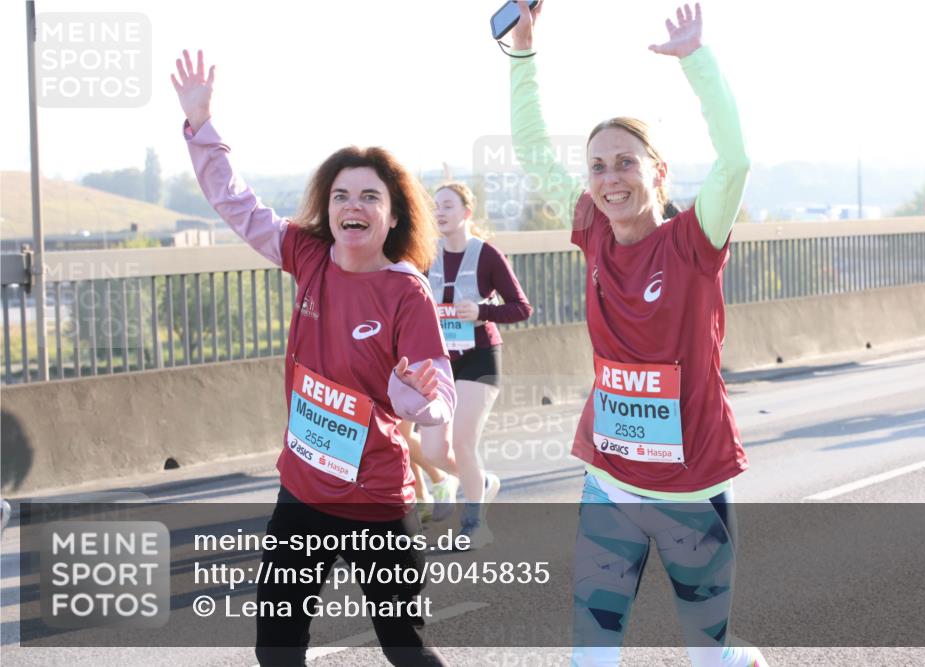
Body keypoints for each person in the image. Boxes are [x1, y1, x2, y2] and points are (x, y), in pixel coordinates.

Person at [171, 50, 456, 667]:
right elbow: (236, 203)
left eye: (369, 196)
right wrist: (201, 126)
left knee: (405, 648)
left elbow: (438, 397)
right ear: (328, 208)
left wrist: (416, 397)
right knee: (275, 648)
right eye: (342, 194)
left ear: (392, 213)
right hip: (301, 490)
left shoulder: (406, 289)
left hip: (375, 500)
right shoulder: (306, 255)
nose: (353, 205)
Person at [507, 2, 767, 665]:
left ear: (658, 172)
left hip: (692, 490)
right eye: (597, 167)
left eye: (625, 162)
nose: (609, 178)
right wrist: (523, 54)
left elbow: (735, 160)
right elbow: (535, 152)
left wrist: (696, 63)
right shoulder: (593, 229)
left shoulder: (693, 241)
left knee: (709, 657)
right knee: (590, 655)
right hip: (611, 483)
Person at [419, 182, 533, 548]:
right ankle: (479, 483)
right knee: (435, 450)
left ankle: (474, 525)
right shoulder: (425, 254)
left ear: (467, 212)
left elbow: (521, 307)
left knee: (462, 443)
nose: (439, 212)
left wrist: (482, 312)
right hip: (440, 362)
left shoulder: (486, 255)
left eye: (447, 206)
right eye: (435, 206)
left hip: (480, 359)